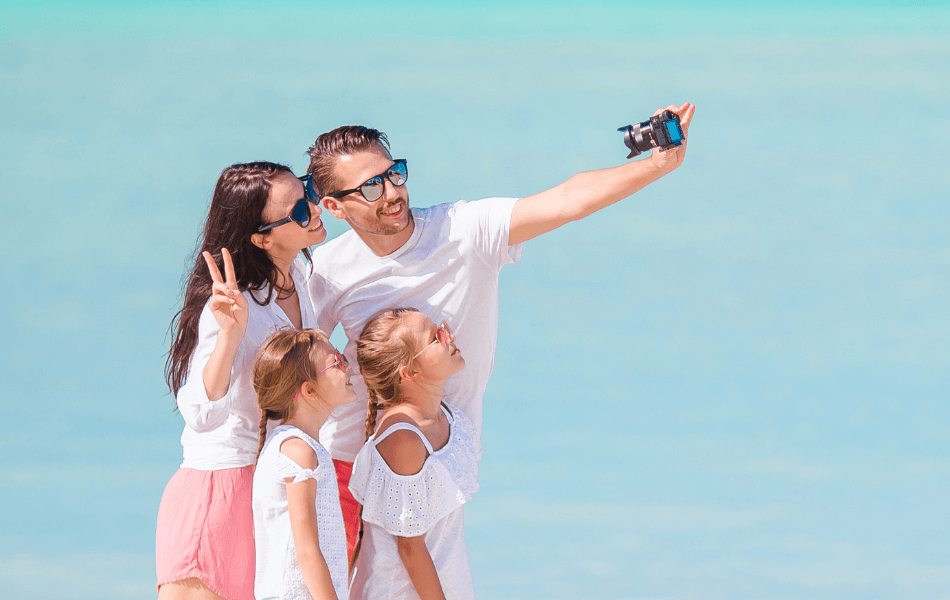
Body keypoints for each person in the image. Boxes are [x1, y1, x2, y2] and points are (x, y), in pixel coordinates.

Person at [304, 103, 695, 555]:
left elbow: (569, 199)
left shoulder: (464, 230)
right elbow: (292, 359)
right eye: (372, 186)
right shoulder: (328, 270)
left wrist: (656, 165)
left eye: (395, 174)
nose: (392, 193)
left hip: (441, 462)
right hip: (351, 465)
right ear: (333, 206)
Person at [156, 161, 326, 600]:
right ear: (262, 238)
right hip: (220, 491)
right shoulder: (232, 306)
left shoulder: (298, 277)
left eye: (308, 192)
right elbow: (201, 414)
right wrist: (230, 336)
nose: (315, 208)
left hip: (267, 486)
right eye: (300, 210)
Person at [348, 308, 481, 600]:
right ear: (409, 373)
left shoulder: (446, 416)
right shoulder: (404, 438)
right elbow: (410, 548)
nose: (448, 336)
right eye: (435, 337)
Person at [251, 329, 353, 600]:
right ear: (309, 390)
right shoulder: (299, 452)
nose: (347, 366)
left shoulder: (295, 446)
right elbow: (307, 551)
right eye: (336, 361)